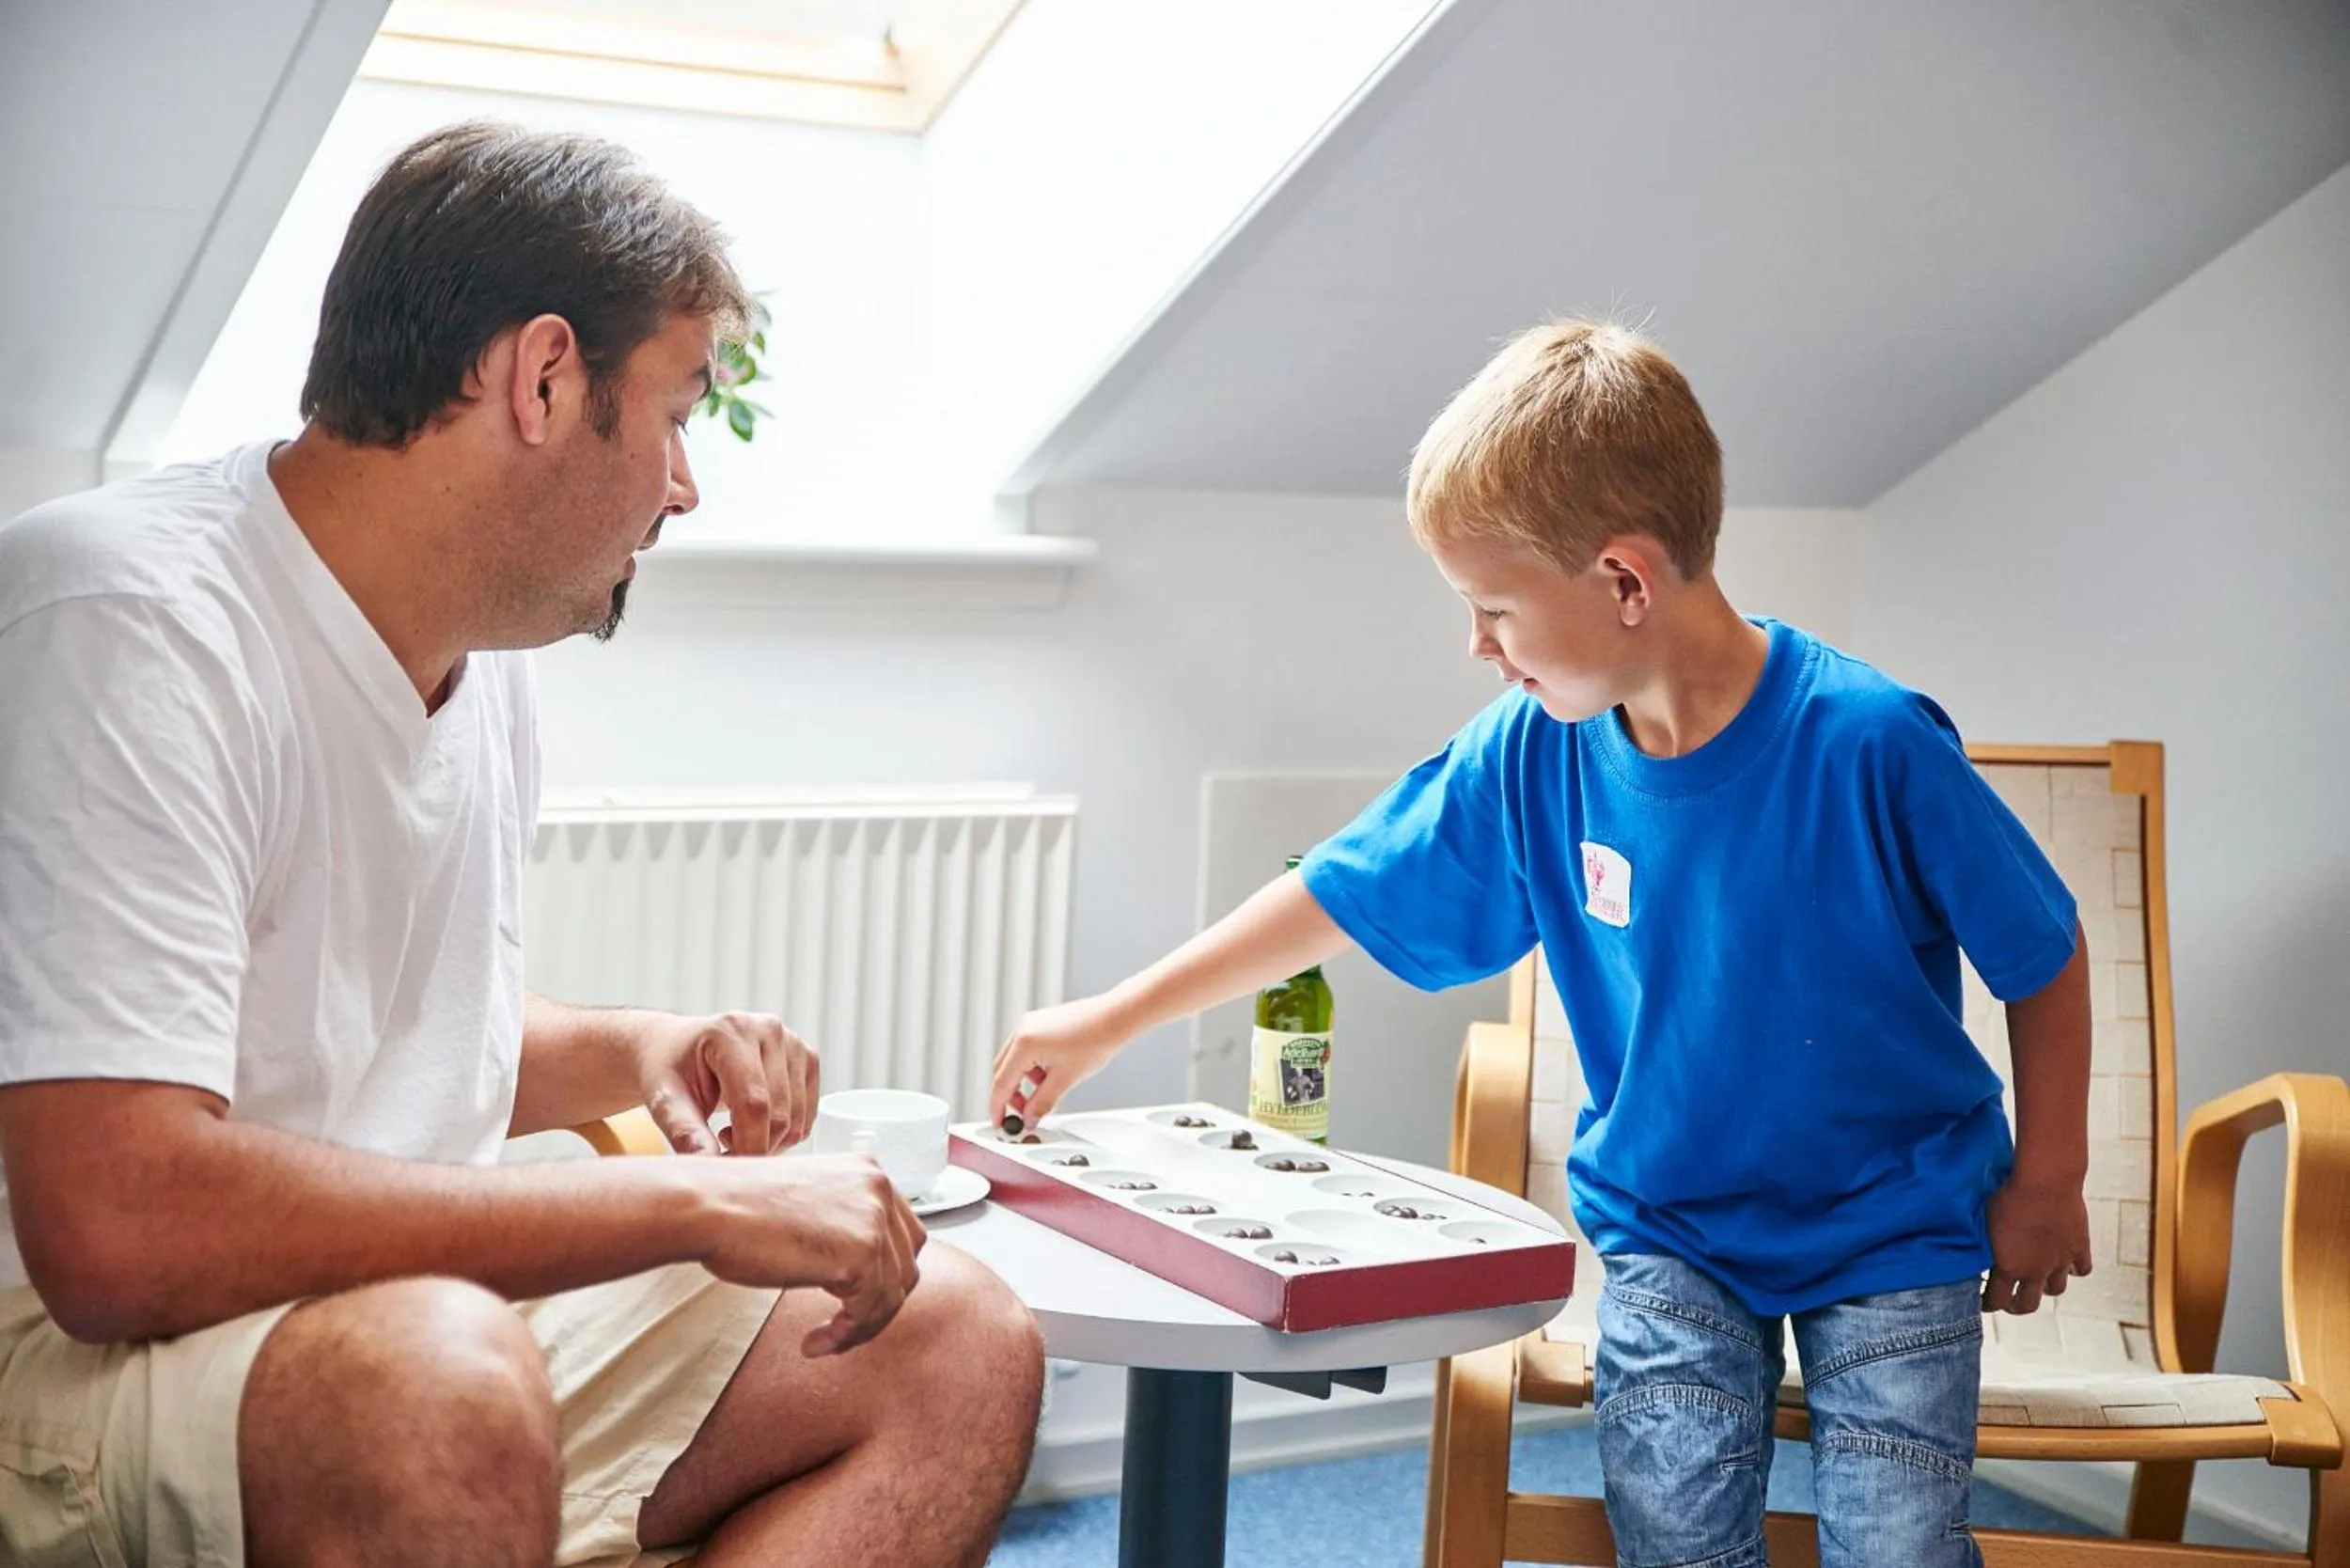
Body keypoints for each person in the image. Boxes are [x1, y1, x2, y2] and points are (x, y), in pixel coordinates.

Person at [0, 121, 1042, 1568]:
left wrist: (636, 1050)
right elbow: (114, 1224)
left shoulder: (485, 660)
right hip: (72, 1370)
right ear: (544, 378)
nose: (685, 484)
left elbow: (348, 1022)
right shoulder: (127, 621)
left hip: (393, 1302)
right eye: (678, 413)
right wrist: (683, 1200)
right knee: (441, 1382)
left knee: (954, 1332)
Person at [989, 319, 2092, 1567]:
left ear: (1624, 583)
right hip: (1675, 1228)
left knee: (1897, 1546)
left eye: (1494, 609)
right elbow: (1338, 893)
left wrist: (2046, 1181)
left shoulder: (1872, 743)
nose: (1479, 647)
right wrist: (1109, 1018)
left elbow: (2043, 953)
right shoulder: (1532, 751)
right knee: (1674, 1534)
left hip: (1897, 1226)